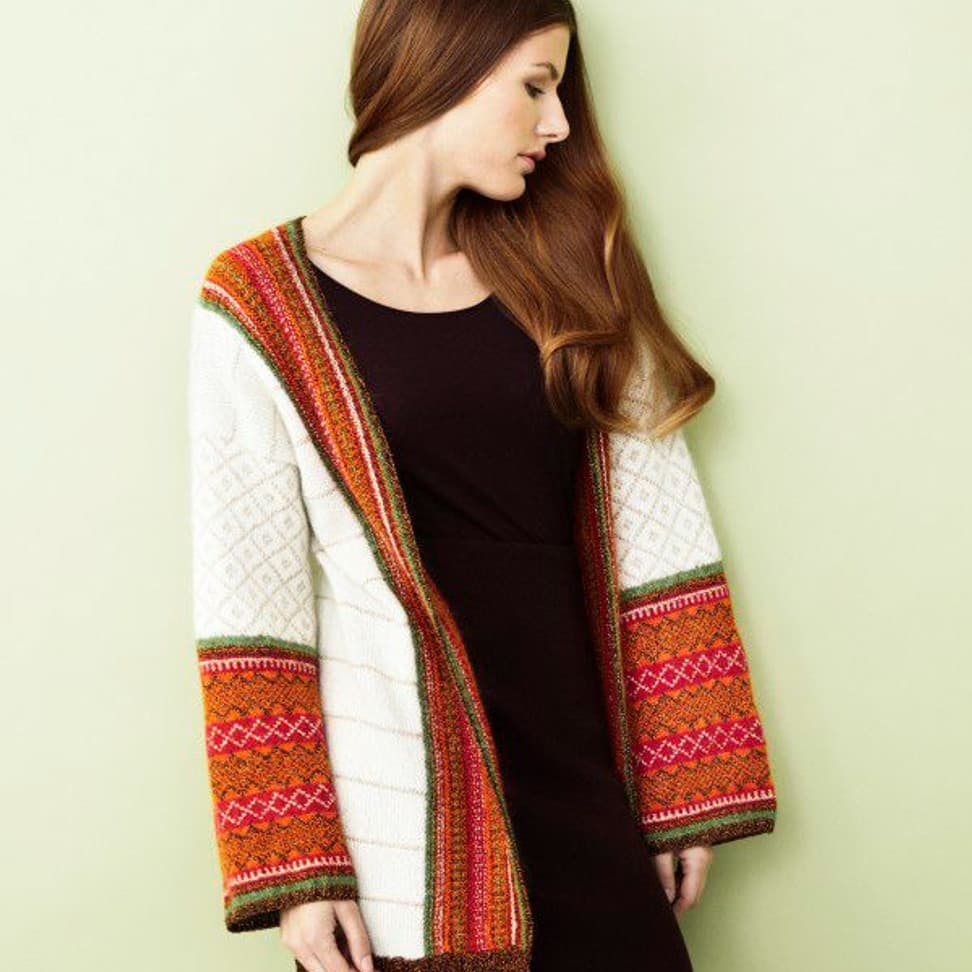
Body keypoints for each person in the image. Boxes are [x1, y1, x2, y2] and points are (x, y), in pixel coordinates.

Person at [187, 3, 779, 971]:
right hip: (404, 831)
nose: (559, 124)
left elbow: (656, 515)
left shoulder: (566, 268)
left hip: (584, 782)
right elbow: (251, 600)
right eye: (536, 87)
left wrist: (685, 781)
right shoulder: (258, 302)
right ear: (444, 65)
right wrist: (300, 869)